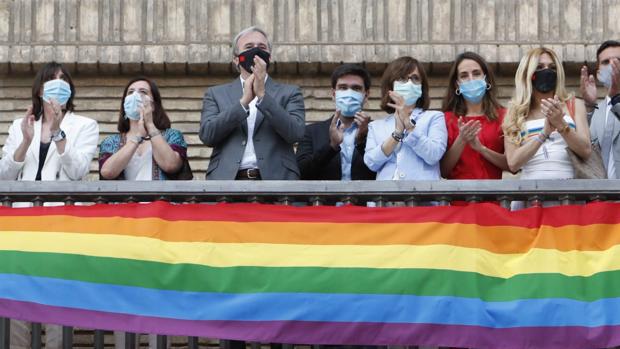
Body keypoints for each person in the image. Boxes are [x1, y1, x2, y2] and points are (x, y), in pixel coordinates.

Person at [0, 62, 99, 349]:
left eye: (63, 81)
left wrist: (57, 134)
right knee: (16, 298)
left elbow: (78, 169)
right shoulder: (20, 126)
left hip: (61, 222)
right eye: (51, 81)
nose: (58, 86)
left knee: (57, 299)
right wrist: (25, 141)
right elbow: (5, 174)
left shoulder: (84, 125)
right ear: (39, 89)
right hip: (21, 223)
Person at [199, 26, 305, 180]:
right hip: (227, 182)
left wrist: (263, 96)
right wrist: (243, 102)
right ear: (236, 59)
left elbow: (296, 133)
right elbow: (207, 135)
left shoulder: (290, 92)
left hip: (277, 181)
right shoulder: (216, 94)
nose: (256, 51)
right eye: (249, 47)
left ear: (269, 57)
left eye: (262, 47)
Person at [503, 48, 591, 208]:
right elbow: (513, 163)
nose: (547, 72)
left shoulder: (574, 104)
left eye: (552, 68)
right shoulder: (515, 112)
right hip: (530, 197)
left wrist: (561, 125)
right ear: (528, 73)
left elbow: (585, 150)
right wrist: (543, 134)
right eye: (540, 67)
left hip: (570, 195)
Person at [364, 56, 447, 180]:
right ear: (390, 87)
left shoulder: (434, 117)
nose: (409, 83)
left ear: (422, 87)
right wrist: (397, 134)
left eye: (415, 78)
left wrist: (408, 126)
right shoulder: (376, 126)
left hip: (423, 197)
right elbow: (371, 163)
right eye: (402, 78)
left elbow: (434, 155)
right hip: (386, 197)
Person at [99, 77, 190, 181]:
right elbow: (107, 172)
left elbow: (171, 165)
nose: (135, 95)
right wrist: (138, 138)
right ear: (124, 103)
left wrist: (150, 126)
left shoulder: (172, 135)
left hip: (160, 197)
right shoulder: (111, 141)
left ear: (154, 104)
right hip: (126, 197)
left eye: (143, 92)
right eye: (130, 92)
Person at [297, 63, 375, 180]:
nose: (349, 93)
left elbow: (382, 172)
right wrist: (331, 146)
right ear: (334, 94)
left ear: (366, 95)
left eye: (356, 88)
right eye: (343, 88)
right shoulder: (311, 132)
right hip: (325, 198)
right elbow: (301, 173)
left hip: (365, 198)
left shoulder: (376, 130)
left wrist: (361, 142)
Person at [440, 52, 508, 179]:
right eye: (464, 76)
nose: (471, 79)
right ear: (457, 84)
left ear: (486, 78)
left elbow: (512, 166)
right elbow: (443, 171)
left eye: (476, 73)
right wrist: (461, 140)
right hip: (459, 197)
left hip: (495, 197)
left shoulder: (504, 116)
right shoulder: (446, 119)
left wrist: (482, 149)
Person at [580, 40, 620, 179]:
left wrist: (617, 98)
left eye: (617, 60)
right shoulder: (597, 110)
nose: (612, 65)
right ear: (598, 74)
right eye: (606, 62)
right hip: (600, 196)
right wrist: (590, 106)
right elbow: (585, 149)